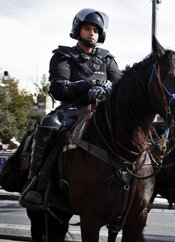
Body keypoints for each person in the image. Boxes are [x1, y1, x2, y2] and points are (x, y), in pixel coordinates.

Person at [20, 8, 122, 209]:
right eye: (87, 28)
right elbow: (59, 88)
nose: (92, 33)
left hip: (102, 111)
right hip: (72, 110)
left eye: (95, 30)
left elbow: (121, 87)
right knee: (49, 124)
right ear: (78, 30)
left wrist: (110, 88)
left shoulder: (107, 59)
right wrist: (89, 84)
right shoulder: (63, 56)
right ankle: (36, 185)